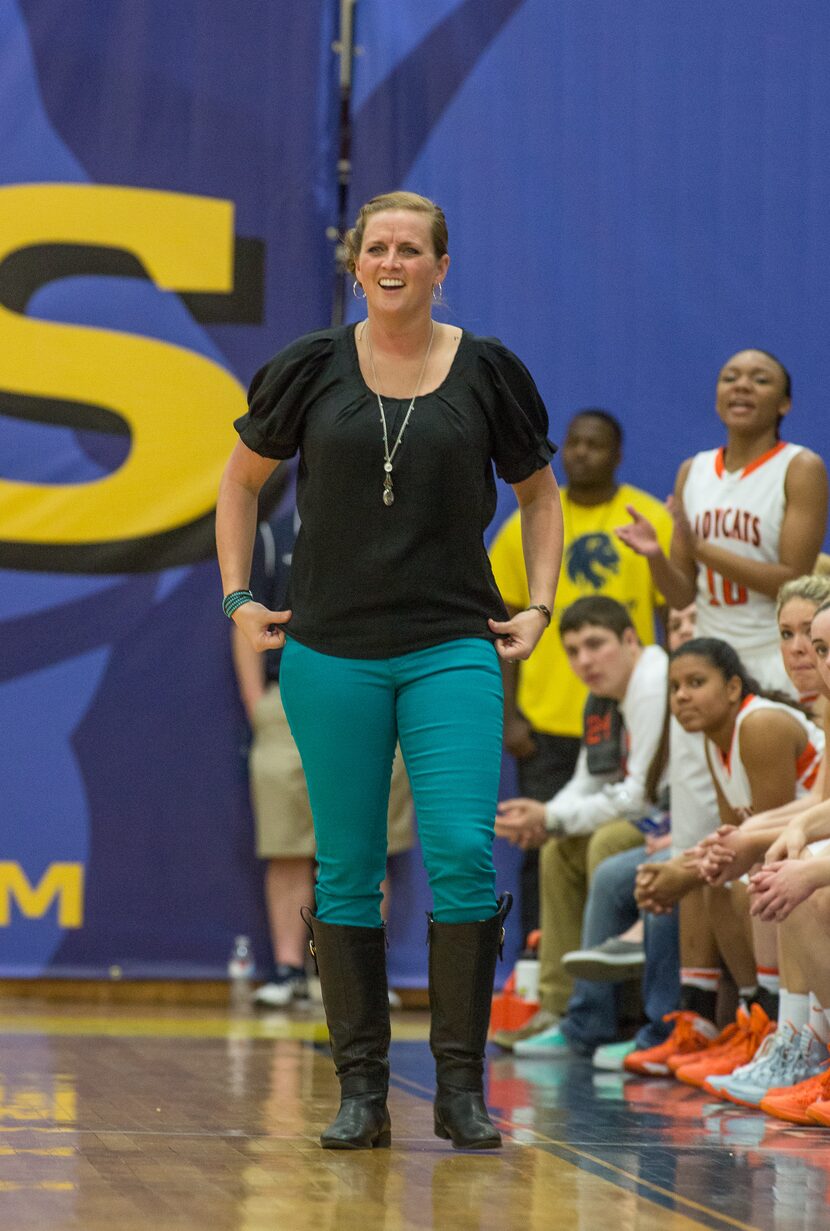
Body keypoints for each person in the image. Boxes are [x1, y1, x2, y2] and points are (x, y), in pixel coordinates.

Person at [215, 190, 563, 1152]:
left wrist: (537, 602)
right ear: (356, 263)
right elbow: (240, 482)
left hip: (452, 641)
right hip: (329, 649)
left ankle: (460, 1089)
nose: (394, 261)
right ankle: (359, 1089)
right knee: (348, 865)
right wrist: (240, 597)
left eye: (413, 248)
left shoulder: (489, 370)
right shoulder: (311, 367)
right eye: (379, 247)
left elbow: (540, 496)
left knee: (458, 849)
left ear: (442, 266)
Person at [489, 410, 672, 942]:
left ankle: (609, 975)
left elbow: (672, 617)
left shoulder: (649, 518)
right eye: (573, 443)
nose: (581, 453)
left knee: (614, 841)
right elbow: (501, 627)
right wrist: (510, 714)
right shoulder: (531, 519)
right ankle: (538, 964)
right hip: (544, 721)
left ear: (617, 455)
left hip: (627, 718)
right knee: (540, 847)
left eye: (596, 445)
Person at [232, 500, 414, 1008]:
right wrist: (259, 705)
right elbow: (247, 621)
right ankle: (290, 970)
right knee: (288, 840)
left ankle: (358, 974)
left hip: (377, 692)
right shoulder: (275, 535)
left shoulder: (398, 527)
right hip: (290, 695)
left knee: (368, 839)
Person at [624, 637, 824, 1081]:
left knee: (750, 879)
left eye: (696, 682)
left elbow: (758, 840)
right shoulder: (717, 740)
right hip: (795, 845)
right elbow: (733, 835)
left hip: (804, 849)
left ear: (733, 688)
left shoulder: (760, 725)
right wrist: (687, 868)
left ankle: (775, 1022)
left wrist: (682, 870)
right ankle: (739, 1018)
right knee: (713, 878)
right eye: (675, 687)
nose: (682, 696)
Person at [493, 596, 667, 1055]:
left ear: (630, 639)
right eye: (572, 651)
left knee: (606, 843)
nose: (584, 661)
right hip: (652, 820)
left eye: (595, 644)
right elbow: (589, 780)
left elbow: (639, 796)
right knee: (557, 851)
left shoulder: (653, 680)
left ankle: (600, 1017)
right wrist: (548, 821)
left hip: (675, 823)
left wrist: (551, 817)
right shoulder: (603, 698)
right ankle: (560, 1007)